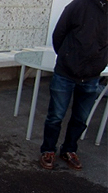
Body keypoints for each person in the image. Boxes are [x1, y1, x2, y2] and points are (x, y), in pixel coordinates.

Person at [39, 0, 108, 170]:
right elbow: (59, 34)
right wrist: (66, 58)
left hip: (92, 76)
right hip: (65, 73)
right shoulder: (79, 5)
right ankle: (48, 150)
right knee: (55, 116)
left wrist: (101, 62)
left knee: (80, 119)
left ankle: (69, 150)